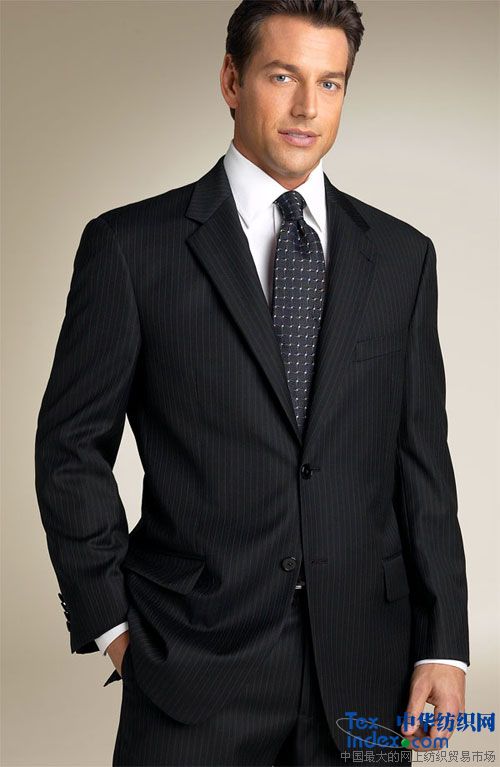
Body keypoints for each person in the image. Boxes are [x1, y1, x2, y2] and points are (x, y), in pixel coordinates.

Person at [34, 1, 469, 765]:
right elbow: (70, 449)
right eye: (282, 76)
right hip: (190, 662)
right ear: (232, 81)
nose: (308, 108)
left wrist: (444, 644)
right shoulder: (131, 249)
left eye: (330, 83)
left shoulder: (403, 257)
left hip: (367, 666)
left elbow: (422, 463)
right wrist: (112, 625)